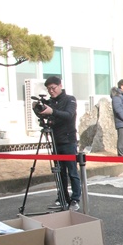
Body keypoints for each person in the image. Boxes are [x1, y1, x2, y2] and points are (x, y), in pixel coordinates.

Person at [38, 76, 81, 211]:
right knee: (59, 172)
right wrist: (40, 111)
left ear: (60, 85)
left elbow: (69, 115)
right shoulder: (50, 102)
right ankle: (62, 197)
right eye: (48, 89)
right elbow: (47, 117)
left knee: (72, 172)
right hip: (55, 141)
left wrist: (53, 111)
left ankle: (75, 199)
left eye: (53, 88)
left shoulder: (70, 99)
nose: (51, 91)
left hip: (68, 141)